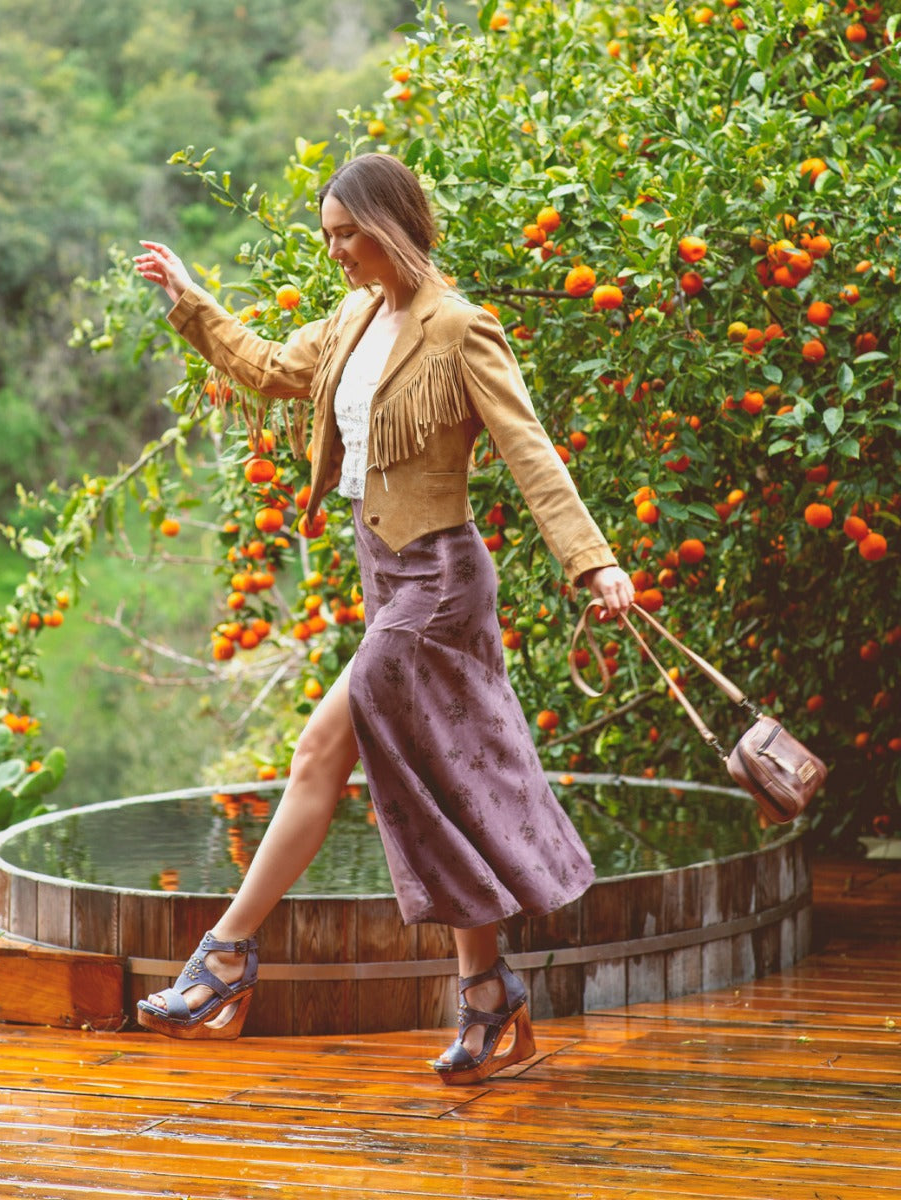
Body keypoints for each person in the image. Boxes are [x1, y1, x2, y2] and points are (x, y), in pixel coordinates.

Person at [131, 153, 634, 1084]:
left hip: (439, 589)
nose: (335, 253)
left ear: (391, 225)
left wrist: (593, 560)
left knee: (322, 749)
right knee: (434, 784)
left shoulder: (458, 331)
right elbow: (271, 369)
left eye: (345, 235)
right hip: (383, 580)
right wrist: (191, 301)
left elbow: (531, 453)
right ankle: (486, 995)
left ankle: (227, 957)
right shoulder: (355, 319)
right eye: (327, 237)